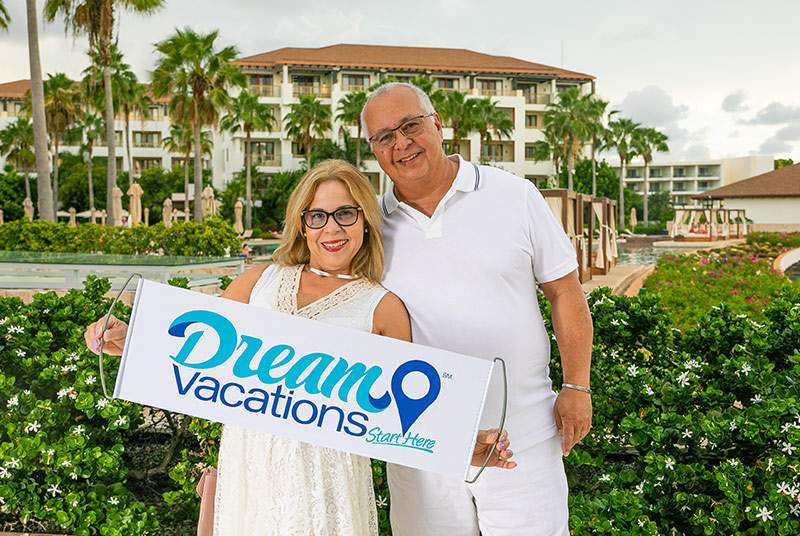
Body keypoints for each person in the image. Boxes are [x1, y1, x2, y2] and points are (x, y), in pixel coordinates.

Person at [85, 159, 516, 536]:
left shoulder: (382, 307)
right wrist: (124, 336)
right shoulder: (259, 280)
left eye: (345, 214)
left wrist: (465, 445)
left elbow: (407, 416)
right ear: (302, 223)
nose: (332, 228)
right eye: (318, 216)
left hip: (329, 479)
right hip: (251, 462)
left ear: (365, 220)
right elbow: (190, 346)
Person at [361, 83, 594, 536]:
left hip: (524, 431)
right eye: (384, 136)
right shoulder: (368, 224)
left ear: (438, 125)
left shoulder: (515, 194)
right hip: (419, 439)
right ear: (373, 150)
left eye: (410, 126)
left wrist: (577, 386)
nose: (401, 143)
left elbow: (566, 292)